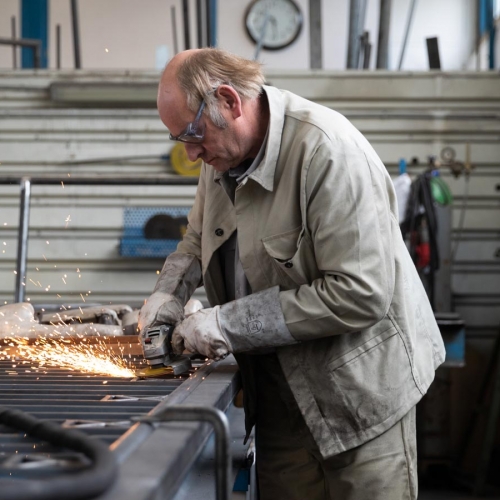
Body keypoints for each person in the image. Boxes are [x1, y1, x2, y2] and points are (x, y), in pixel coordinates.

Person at [138, 47, 445, 500]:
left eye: (192, 132)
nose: (191, 151)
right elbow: (197, 240)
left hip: (359, 401)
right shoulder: (219, 157)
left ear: (228, 101)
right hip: (279, 398)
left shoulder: (328, 153)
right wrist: (166, 296)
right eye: (178, 139)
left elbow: (360, 294)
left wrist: (227, 324)